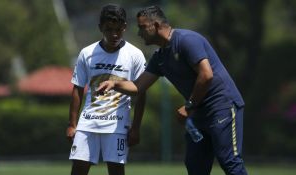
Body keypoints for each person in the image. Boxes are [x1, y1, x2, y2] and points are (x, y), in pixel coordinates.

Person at [97, 5, 248, 175]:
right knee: (195, 165)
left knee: (229, 162)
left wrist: (189, 106)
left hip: (222, 107)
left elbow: (206, 75)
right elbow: (138, 87)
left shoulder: (186, 40)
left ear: (155, 25)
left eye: (142, 27)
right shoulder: (160, 57)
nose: (139, 33)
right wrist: (114, 84)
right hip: (197, 113)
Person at [66, 4, 146, 175]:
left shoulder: (135, 55)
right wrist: (72, 124)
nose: (114, 34)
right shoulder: (87, 53)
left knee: (116, 170)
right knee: (78, 169)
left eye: (118, 29)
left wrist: (136, 128)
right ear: (100, 27)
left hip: (117, 125)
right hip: (87, 123)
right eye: (109, 29)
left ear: (125, 27)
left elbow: (141, 92)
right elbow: (78, 89)